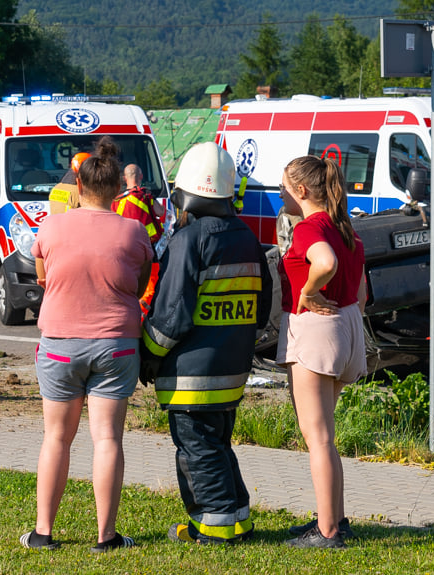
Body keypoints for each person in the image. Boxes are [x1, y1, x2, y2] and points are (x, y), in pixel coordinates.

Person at [21, 138, 152, 553]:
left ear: (77, 184)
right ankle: (106, 536)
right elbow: (141, 277)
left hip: (60, 343)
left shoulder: (53, 225)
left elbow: (42, 274)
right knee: (107, 439)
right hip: (116, 345)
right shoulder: (132, 229)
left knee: (56, 438)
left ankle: (43, 532)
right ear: (118, 189)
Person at [140, 142, 272, 545]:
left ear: (186, 195)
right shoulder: (247, 237)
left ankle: (214, 529)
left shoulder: (189, 240)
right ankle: (239, 518)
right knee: (218, 445)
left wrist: (148, 355)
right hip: (232, 369)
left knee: (197, 449)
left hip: (192, 375)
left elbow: (171, 314)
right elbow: (262, 309)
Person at [276, 155, 367, 549]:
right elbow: (362, 290)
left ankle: (327, 531)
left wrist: (308, 292)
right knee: (326, 435)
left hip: (317, 328)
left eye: (283, 187)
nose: (279, 193)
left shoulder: (308, 229)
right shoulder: (346, 228)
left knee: (318, 437)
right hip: (348, 325)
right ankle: (335, 518)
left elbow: (324, 262)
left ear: (301, 191)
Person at [112, 163, 165, 315]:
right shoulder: (146, 195)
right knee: (150, 284)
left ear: (124, 179)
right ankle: (143, 314)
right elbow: (161, 212)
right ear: (141, 176)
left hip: (125, 249)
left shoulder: (116, 201)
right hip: (148, 248)